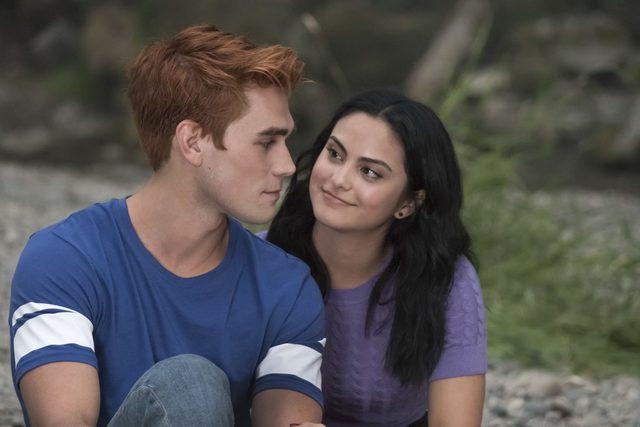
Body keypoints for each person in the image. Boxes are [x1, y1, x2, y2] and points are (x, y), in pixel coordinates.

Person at [9, 24, 326, 427]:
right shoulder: (63, 259)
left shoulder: (287, 286)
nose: (287, 166)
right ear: (193, 142)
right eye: (267, 143)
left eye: (285, 142)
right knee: (189, 383)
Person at [266, 89, 487, 426]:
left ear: (409, 203)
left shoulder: (443, 278)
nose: (339, 180)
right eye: (335, 154)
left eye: (370, 172)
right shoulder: (262, 260)